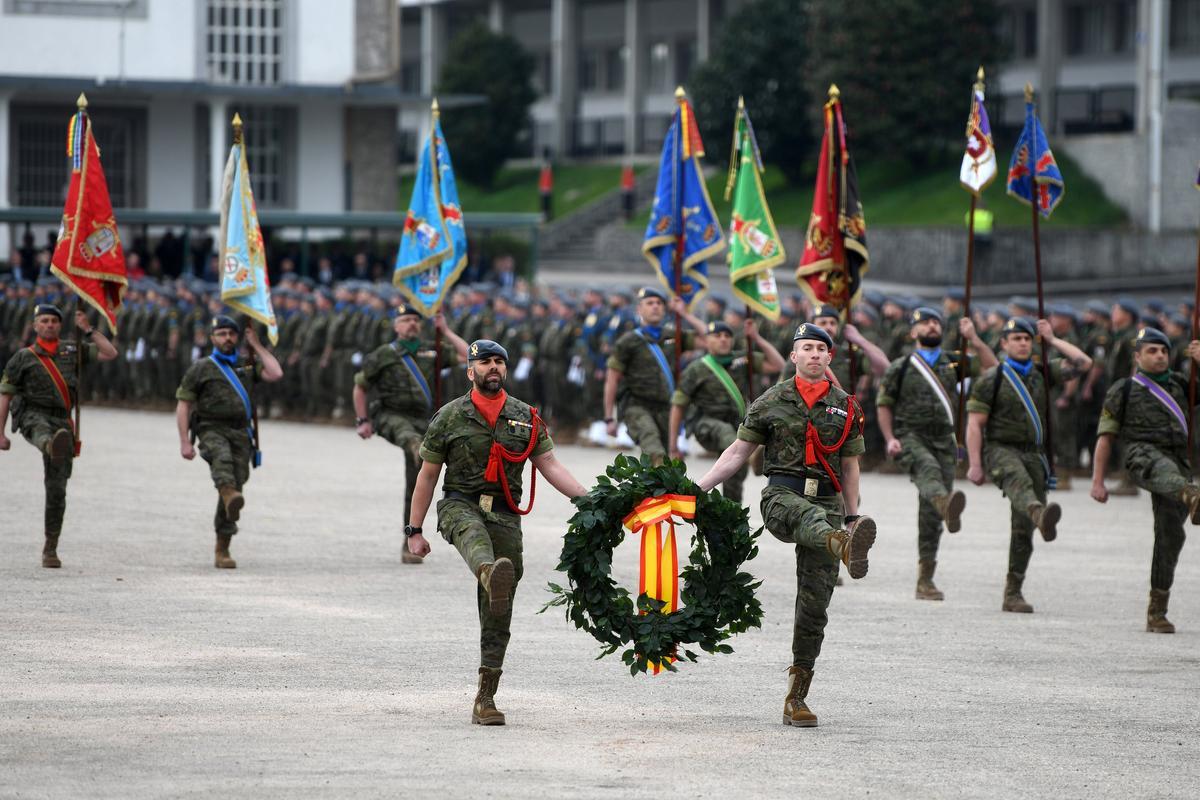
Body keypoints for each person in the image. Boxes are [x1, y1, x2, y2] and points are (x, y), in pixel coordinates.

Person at [695, 322, 877, 728]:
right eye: (806, 348)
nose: (813, 354)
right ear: (793, 356)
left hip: (829, 503)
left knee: (815, 607)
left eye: (820, 348)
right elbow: (738, 451)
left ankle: (797, 697)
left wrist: (851, 518)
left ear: (830, 357)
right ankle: (841, 543)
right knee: (808, 517)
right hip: (781, 497)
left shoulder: (846, 407)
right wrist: (698, 488)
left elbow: (850, 466)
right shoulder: (770, 400)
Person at [405, 339, 587, 726]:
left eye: (499, 362)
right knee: (475, 540)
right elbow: (427, 475)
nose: (493, 367)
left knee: (498, 610)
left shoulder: (525, 416)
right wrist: (414, 530)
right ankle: (486, 570)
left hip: (505, 514)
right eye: (485, 362)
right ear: (470, 371)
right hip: (459, 504)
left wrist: (587, 498)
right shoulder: (450, 416)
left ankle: (485, 698)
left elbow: (550, 464)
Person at [966, 317, 1093, 613]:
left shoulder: (1042, 373)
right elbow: (975, 424)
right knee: (1021, 488)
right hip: (1001, 450)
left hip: (1035, 455)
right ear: (1004, 344)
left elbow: (1083, 363)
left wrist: (1051, 340)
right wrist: (974, 464)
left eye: (1027, 338)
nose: (1023, 343)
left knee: (1023, 528)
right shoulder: (992, 379)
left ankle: (1013, 591)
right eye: (1016, 338)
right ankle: (1039, 511)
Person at [876, 307, 997, 600]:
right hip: (911, 437)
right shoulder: (902, 366)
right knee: (928, 473)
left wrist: (975, 339)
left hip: (945, 441)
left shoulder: (954, 362)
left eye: (936, 323)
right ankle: (946, 505)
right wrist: (890, 438)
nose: (932, 327)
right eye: (925, 323)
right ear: (913, 332)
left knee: (931, 512)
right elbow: (884, 404)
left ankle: (925, 580)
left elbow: (992, 369)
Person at [1090, 328, 1200, 633]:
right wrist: (1098, 481)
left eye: (1164, 351)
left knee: (1171, 536)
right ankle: (1192, 495)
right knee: (1162, 468)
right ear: (1137, 356)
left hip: (1178, 464)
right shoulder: (1124, 389)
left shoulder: (1181, 384)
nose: (1160, 356)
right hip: (1142, 455)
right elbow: (1106, 436)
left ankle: (1157, 612)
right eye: (1152, 351)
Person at [0, 305, 118, 567]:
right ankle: (50, 444)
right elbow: (5, 395)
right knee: (43, 433)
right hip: (34, 415)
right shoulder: (23, 357)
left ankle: (50, 547)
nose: (50, 324)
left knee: (57, 490)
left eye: (54, 321)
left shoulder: (72, 350)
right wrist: (1, 433)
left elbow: (110, 353)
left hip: (63, 421)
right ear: (35, 326)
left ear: (60, 325)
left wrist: (87, 329)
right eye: (45, 320)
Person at [352, 304, 467, 564]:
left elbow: (470, 356)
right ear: (396, 326)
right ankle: (419, 454)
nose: (412, 324)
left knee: (415, 481)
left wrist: (446, 331)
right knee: (412, 442)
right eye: (405, 320)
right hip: (391, 415)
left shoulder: (432, 350)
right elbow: (360, 387)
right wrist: (363, 420)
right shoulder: (383, 354)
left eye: (415, 320)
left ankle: (410, 538)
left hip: (425, 420)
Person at [175, 315, 283, 568]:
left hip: (241, 433)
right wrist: (184, 441)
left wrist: (256, 345)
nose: (227, 338)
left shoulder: (247, 364)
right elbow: (184, 405)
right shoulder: (202, 367)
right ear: (212, 338)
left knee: (237, 486)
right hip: (211, 429)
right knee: (223, 468)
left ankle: (222, 548)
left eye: (231, 334)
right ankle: (228, 495)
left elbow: (276, 372)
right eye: (221, 334)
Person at [668, 318, 784, 501]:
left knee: (735, 472)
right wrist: (673, 446)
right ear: (706, 341)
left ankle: (731, 509)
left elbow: (779, 366)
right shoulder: (696, 369)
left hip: (737, 425)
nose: (723, 339)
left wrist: (757, 338)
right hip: (706, 424)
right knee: (731, 438)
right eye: (717, 336)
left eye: (727, 336)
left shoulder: (742, 360)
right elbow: (678, 407)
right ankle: (752, 455)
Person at [604, 287, 707, 465]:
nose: (655, 307)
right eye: (649, 303)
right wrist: (608, 418)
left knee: (666, 460)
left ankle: (656, 492)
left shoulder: (673, 336)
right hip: (637, 406)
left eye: (659, 303)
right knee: (654, 450)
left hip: (667, 408)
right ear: (639, 309)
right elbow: (612, 379)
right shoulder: (628, 341)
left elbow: (707, 339)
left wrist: (684, 313)